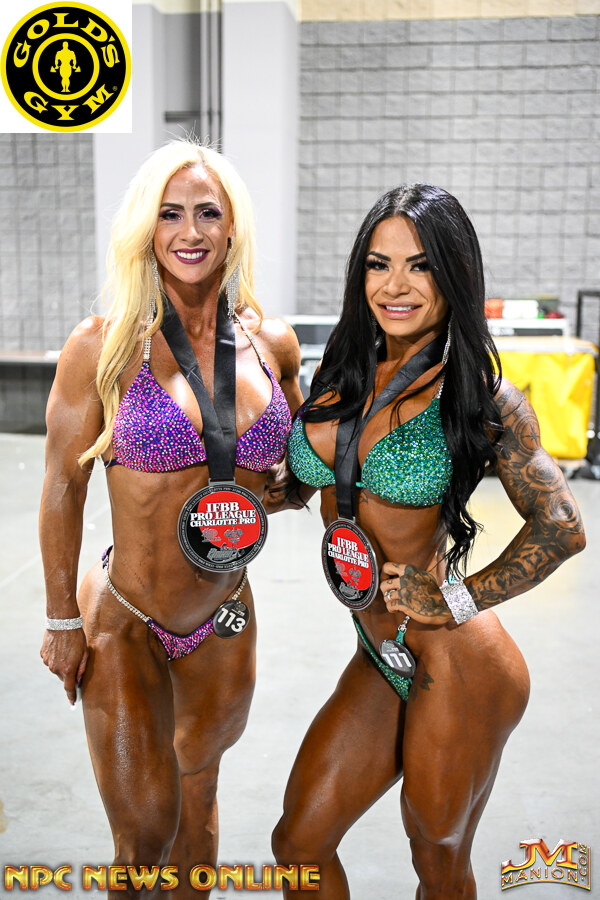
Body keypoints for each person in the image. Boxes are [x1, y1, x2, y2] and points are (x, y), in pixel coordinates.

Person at [271, 183, 585, 899]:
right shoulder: (340, 372)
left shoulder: (478, 397)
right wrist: (281, 490)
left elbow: (563, 526)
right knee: (299, 843)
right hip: (380, 651)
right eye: (379, 265)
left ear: (455, 275)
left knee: (436, 856)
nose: (396, 285)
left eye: (421, 266)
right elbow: (329, 476)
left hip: (456, 657)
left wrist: (455, 598)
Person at [39, 139, 302, 897]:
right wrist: (61, 621)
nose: (190, 232)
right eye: (169, 214)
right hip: (127, 615)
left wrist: (288, 489)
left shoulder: (271, 343)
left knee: (199, 803)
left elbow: (295, 469)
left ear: (232, 227)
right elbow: (62, 486)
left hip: (224, 616)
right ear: (145, 228)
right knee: (146, 832)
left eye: (207, 213)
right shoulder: (101, 346)